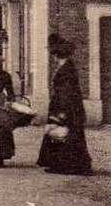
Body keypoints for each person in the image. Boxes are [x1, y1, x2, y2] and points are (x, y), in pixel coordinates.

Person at [38, 35, 93, 175]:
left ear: (57, 54)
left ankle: (69, 166)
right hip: (67, 105)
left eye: (54, 54)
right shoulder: (67, 67)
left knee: (66, 134)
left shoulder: (66, 70)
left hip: (67, 107)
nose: (53, 57)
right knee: (67, 134)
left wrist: (61, 112)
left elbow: (66, 93)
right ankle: (64, 164)